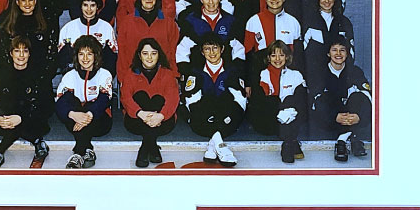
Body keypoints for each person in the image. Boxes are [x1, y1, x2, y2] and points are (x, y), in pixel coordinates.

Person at [0, 37, 51, 168]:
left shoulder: (39, 74)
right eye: (17, 51)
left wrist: (21, 118)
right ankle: (36, 141)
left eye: (24, 51)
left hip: (32, 119)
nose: (21, 55)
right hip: (6, 119)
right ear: (10, 53)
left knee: (28, 118)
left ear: (29, 54)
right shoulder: (0, 73)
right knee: (8, 119)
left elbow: (46, 106)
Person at [185, 33, 247, 165]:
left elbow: (240, 101)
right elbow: (191, 102)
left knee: (226, 100)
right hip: (204, 115)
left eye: (215, 48)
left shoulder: (233, 71)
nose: (212, 52)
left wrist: (231, 115)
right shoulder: (196, 72)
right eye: (207, 49)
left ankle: (213, 146)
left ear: (222, 49)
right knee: (203, 107)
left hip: (226, 115)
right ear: (202, 52)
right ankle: (222, 148)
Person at [54, 36, 113, 169]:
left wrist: (89, 115)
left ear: (95, 56)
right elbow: (60, 101)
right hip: (75, 118)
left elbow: (104, 100)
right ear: (76, 56)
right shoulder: (70, 75)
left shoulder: (104, 74)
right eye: (81, 54)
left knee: (90, 109)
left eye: (89, 54)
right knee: (72, 101)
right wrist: (73, 114)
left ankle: (78, 151)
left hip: (99, 120)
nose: (85, 58)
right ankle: (87, 151)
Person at [310, 37, 371, 161]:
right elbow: (315, 101)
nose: (338, 54)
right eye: (334, 50)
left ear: (347, 53)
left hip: (353, 116)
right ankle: (353, 138)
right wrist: (334, 116)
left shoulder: (355, 71)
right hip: (331, 119)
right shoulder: (319, 72)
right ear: (328, 53)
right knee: (326, 98)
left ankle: (341, 142)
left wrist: (359, 116)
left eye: (342, 50)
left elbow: (367, 96)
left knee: (359, 95)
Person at [120, 38, 179, 167]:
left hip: (163, 121)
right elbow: (126, 97)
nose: (149, 57)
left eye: (153, 53)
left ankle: (144, 149)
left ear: (159, 55)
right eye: (145, 53)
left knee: (158, 98)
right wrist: (140, 113)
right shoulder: (130, 74)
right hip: (136, 120)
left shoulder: (168, 74)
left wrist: (161, 116)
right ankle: (153, 148)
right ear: (139, 56)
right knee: (141, 96)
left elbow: (173, 98)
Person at [247, 40, 307, 164]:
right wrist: (281, 110)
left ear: (287, 57)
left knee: (293, 99)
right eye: (273, 55)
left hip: (292, 117)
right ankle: (293, 142)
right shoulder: (263, 74)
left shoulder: (296, 75)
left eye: (281, 55)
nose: (277, 59)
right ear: (268, 58)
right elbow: (262, 102)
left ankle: (287, 145)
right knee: (274, 101)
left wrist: (287, 109)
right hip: (270, 120)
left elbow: (301, 99)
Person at [242, 0, 302, 93]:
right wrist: (248, 83)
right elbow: (248, 55)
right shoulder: (253, 21)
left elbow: (298, 55)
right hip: (260, 75)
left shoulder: (293, 22)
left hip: (287, 76)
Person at [116, 0, 178, 82]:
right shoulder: (127, 22)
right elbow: (122, 54)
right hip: (133, 77)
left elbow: (173, 52)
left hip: (162, 77)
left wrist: (174, 74)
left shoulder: (168, 23)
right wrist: (123, 78)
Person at [0, 0, 57, 90]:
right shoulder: (8, 25)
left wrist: (45, 75)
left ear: (35, 1)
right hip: (14, 76)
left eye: (30, 0)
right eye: (23, 0)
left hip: (39, 77)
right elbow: (2, 54)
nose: (27, 4)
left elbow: (51, 53)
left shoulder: (46, 24)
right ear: (17, 2)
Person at [176, 0, 242, 73]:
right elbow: (182, 52)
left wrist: (234, 73)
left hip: (225, 74)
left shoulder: (231, 22)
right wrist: (188, 73)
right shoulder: (190, 21)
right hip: (199, 75)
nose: (211, 2)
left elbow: (239, 51)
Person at [301, 0, 354, 100]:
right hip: (315, 74)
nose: (326, 1)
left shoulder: (344, 22)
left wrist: (346, 72)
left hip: (337, 72)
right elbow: (302, 51)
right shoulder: (309, 21)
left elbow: (351, 51)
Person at [57, 0, 117, 77]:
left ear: (98, 7)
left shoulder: (106, 28)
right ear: (80, 6)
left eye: (92, 5)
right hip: (74, 77)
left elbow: (112, 58)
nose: (89, 9)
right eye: (85, 5)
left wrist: (103, 76)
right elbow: (62, 59)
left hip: (99, 77)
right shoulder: (68, 28)